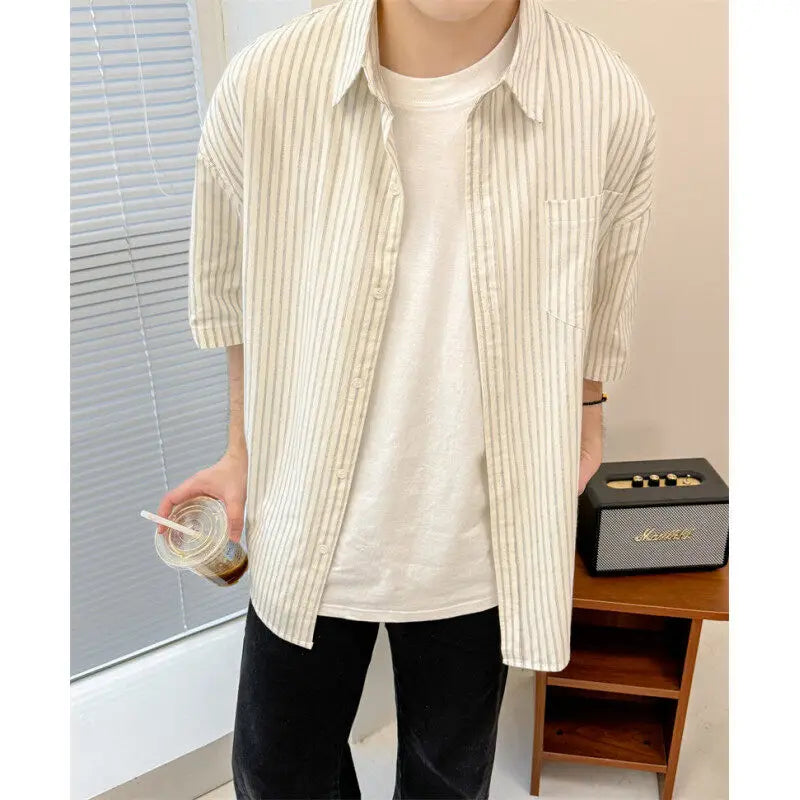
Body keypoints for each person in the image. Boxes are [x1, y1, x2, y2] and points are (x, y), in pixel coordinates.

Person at [157, 0, 656, 797]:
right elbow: (235, 295)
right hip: (306, 520)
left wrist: (588, 414)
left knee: (447, 780)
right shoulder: (267, 84)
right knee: (277, 774)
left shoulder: (605, 99)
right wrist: (240, 451)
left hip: (478, 540)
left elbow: (604, 291)